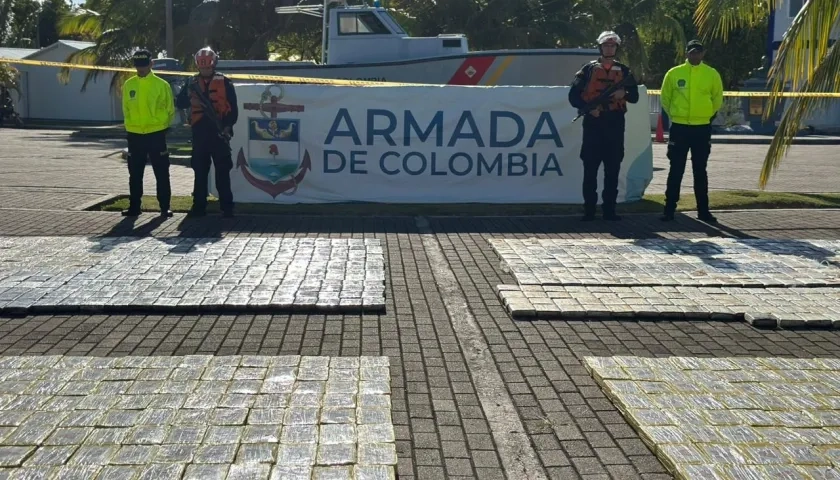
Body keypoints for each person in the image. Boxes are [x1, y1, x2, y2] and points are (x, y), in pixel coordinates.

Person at [568, 31, 639, 221]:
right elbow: (573, 96)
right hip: (593, 124)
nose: (610, 48)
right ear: (600, 47)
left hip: (615, 124)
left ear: (617, 48)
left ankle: (610, 211)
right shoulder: (587, 70)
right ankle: (589, 211)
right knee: (590, 169)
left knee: (613, 169)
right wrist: (588, 109)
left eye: (613, 46)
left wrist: (622, 93)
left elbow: (635, 96)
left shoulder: (624, 71)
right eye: (606, 45)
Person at [660, 39, 724, 223]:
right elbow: (666, 98)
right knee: (676, 169)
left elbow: (717, 98)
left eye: (698, 52)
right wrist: (675, 114)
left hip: (702, 128)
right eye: (692, 52)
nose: (695, 55)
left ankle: (703, 211)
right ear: (686, 53)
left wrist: (705, 116)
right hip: (679, 128)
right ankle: (669, 209)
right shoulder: (674, 73)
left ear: (703, 53)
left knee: (700, 170)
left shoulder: (711, 74)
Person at [175, 46, 239, 217]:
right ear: (198, 66)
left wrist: (227, 127)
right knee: (200, 172)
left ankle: (227, 207)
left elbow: (233, 110)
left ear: (214, 65)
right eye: (202, 67)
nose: (205, 70)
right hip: (200, 134)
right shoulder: (191, 83)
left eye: (208, 67)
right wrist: (186, 92)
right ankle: (198, 207)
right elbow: (180, 104)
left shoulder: (225, 82)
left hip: (219, 134)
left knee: (222, 173)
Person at [121, 49, 176, 217]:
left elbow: (170, 110)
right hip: (135, 135)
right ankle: (134, 207)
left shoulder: (161, 85)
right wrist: (131, 126)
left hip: (156, 134)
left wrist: (162, 127)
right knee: (135, 173)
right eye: (138, 66)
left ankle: (165, 207)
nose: (141, 69)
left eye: (144, 65)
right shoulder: (129, 84)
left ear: (151, 64)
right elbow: (126, 109)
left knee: (161, 172)